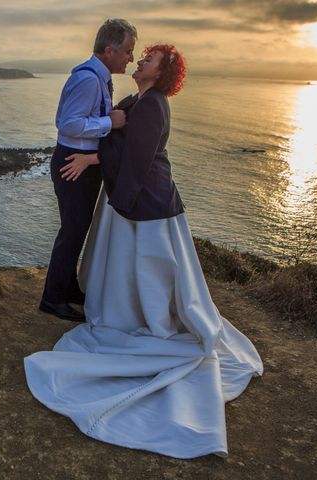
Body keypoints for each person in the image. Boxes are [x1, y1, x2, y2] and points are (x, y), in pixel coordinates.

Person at [24, 45, 263, 458]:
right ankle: (131, 312)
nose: (139, 62)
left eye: (148, 59)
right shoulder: (135, 100)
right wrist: (98, 152)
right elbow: (116, 135)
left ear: (162, 72)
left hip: (145, 201)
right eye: (140, 56)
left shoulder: (152, 105)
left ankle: (148, 318)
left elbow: (137, 154)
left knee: (152, 271)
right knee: (136, 270)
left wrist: (106, 176)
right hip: (130, 198)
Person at [39, 18, 137, 321]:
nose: (131, 58)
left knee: (77, 228)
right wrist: (111, 122)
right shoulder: (88, 79)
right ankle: (52, 298)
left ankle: (67, 288)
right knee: (72, 231)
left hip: (82, 161)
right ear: (109, 50)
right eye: (128, 51)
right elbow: (67, 123)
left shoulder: (99, 77)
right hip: (74, 162)